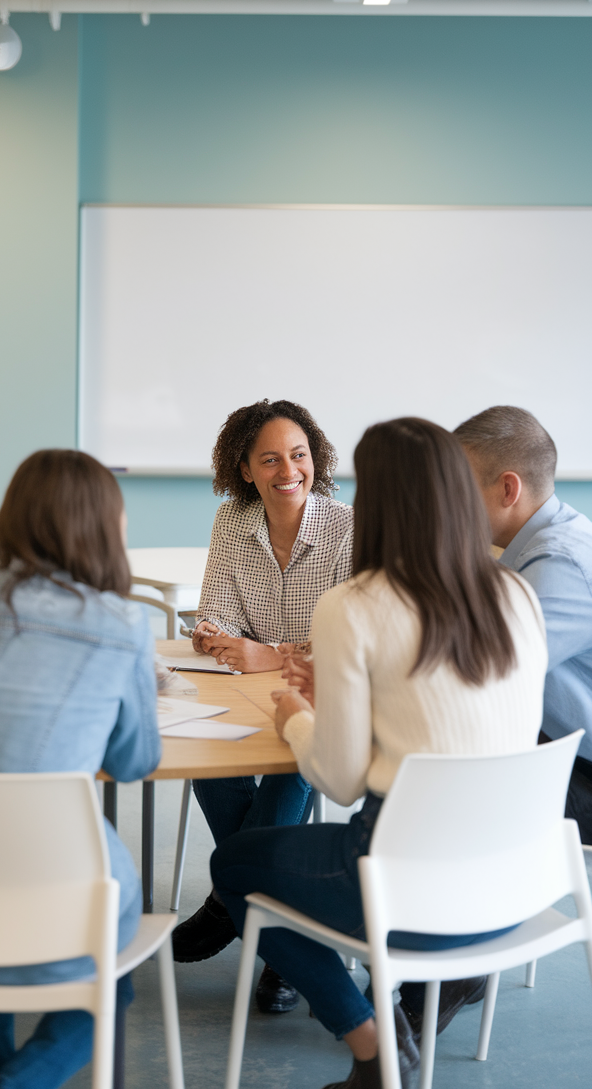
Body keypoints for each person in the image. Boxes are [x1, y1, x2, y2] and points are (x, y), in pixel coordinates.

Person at [211, 417, 547, 1089]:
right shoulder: (513, 592)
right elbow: (446, 722)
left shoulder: (356, 605)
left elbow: (335, 781)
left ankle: (375, 1040)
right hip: (513, 883)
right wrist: (340, 701)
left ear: (379, 504)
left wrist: (300, 717)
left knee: (235, 866)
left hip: (405, 884)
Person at [0, 448, 161, 1089]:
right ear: (103, 524)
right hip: (58, 912)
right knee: (114, 987)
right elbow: (134, 762)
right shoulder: (121, 623)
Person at [173, 399, 353, 1016]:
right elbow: (216, 611)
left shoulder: (348, 529)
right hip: (240, 690)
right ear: (246, 469)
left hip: (317, 695)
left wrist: (268, 652)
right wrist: (214, 636)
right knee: (201, 746)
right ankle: (264, 912)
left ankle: (232, 896)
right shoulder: (233, 522)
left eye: (299, 456)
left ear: (316, 461)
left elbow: (351, 640)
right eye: (270, 459)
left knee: (293, 756)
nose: (288, 470)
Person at [455, 405, 592, 842]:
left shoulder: (558, 562)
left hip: (578, 774)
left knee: (427, 805)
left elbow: (492, 669)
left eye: (459, 489)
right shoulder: (530, 547)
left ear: (508, 489)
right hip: (549, 749)